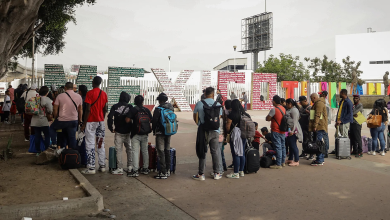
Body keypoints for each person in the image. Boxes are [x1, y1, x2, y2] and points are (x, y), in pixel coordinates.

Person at [193, 87, 223, 180]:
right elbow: (219, 117)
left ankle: (201, 174)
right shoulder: (218, 104)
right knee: (215, 152)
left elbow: (195, 116)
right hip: (215, 131)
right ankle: (217, 173)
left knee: (203, 151)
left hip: (203, 131)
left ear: (205, 94)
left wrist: (199, 124)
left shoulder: (199, 103)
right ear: (213, 94)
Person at [80, 77, 108, 174]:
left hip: (91, 121)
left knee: (90, 143)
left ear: (93, 82)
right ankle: (102, 165)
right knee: (100, 143)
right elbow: (105, 108)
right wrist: (102, 118)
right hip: (100, 121)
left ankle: (91, 167)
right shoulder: (104, 94)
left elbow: (88, 109)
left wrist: (84, 123)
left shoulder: (90, 93)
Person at [126, 95, 152, 177]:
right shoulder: (146, 110)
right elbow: (151, 120)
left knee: (135, 151)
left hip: (136, 133)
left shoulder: (134, 109)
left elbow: (127, 120)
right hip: (145, 133)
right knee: (145, 151)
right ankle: (145, 168)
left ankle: (135, 170)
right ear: (142, 101)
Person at [107, 91, 132, 175]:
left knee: (119, 150)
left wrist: (111, 128)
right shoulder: (130, 107)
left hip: (118, 132)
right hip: (128, 132)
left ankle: (120, 168)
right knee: (129, 149)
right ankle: (130, 167)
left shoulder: (115, 106)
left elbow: (110, 117)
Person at [52, 82, 83, 150]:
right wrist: (80, 120)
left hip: (62, 121)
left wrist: (56, 117)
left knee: (55, 131)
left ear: (65, 88)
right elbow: (80, 110)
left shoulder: (60, 96)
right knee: (72, 138)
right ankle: (72, 155)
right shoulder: (78, 96)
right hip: (74, 121)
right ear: (73, 88)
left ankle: (61, 151)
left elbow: (55, 108)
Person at [152, 93, 174, 179]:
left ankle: (163, 172)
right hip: (168, 131)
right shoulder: (171, 107)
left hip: (160, 133)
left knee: (160, 151)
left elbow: (154, 121)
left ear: (159, 100)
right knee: (167, 150)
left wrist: (154, 131)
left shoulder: (158, 109)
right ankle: (168, 170)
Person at [226, 99, 249, 179]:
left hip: (236, 135)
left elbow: (228, 126)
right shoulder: (245, 114)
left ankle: (236, 172)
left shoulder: (232, 114)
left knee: (236, 153)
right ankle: (241, 171)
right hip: (244, 135)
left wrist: (228, 133)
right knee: (241, 152)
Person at [266, 95, 286, 169]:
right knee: (283, 146)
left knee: (278, 147)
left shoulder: (274, 109)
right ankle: (283, 162)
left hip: (276, 130)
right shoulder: (283, 108)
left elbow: (268, 118)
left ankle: (278, 164)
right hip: (283, 130)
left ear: (274, 101)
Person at [31, 86, 53, 154]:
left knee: (37, 135)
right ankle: (46, 150)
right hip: (43, 120)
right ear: (46, 92)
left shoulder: (34, 98)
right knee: (47, 135)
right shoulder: (47, 99)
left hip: (35, 120)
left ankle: (38, 151)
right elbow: (50, 110)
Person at [330, 89, 353, 154]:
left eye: (340, 93)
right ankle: (337, 149)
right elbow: (339, 112)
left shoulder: (348, 102)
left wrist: (341, 121)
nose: (339, 94)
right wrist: (336, 121)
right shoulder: (341, 101)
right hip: (339, 122)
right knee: (337, 136)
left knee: (344, 137)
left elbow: (350, 114)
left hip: (344, 123)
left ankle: (344, 151)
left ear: (343, 93)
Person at [309, 93, 328, 166]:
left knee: (319, 143)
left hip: (319, 126)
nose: (311, 100)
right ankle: (320, 159)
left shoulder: (319, 103)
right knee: (320, 143)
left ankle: (320, 159)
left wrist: (315, 125)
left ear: (314, 98)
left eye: (311, 98)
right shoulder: (319, 103)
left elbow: (317, 114)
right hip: (320, 125)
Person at [285, 98, 303, 167]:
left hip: (293, 130)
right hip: (289, 129)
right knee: (290, 144)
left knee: (293, 145)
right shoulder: (290, 110)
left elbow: (295, 122)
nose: (286, 105)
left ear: (290, 104)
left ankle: (296, 160)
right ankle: (290, 158)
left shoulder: (294, 110)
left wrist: (292, 131)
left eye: (287, 104)